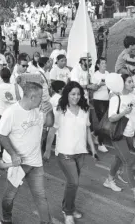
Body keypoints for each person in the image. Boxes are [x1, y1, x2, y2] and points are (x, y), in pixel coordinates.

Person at [0, 82, 54, 224]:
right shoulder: (11, 113)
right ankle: (6, 218)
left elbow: (49, 124)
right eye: (40, 97)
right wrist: (13, 154)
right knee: (10, 196)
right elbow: (1, 135)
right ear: (32, 97)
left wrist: (50, 110)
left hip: (35, 162)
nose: (43, 100)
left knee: (41, 196)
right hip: (18, 164)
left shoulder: (39, 109)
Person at [45, 82, 97, 224]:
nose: (76, 97)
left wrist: (92, 148)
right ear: (67, 94)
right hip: (65, 153)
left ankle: (68, 207)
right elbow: (52, 130)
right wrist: (47, 151)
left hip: (80, 152)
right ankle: (68, 212)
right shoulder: (60, 110)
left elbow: (87, 130)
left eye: (78, 94)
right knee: (74, 182)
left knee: (71, 183)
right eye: (73, 94)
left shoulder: (84, 110)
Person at [103, 74, 135, 204]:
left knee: (119, 158)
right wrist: (124, 112)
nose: (132, 84)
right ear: (122, 83)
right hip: (119, 135)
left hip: (130, 134)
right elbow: (111, 118)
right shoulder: (116, 98)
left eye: (132, 81)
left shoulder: (134, 97)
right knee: (128, 162)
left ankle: (109, 180)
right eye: (129, 81)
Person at [90, 57, 110, 153]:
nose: (105, 65)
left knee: (105, 121)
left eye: (105, 63)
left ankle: (94, 134)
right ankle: (101, 144)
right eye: (102, 63)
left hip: (107, 99)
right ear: (98, 65)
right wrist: (99, 85)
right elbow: (92, 89)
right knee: (102, 122)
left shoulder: (108, 74)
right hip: (98, 100)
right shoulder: (95, 75)